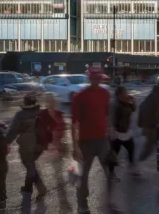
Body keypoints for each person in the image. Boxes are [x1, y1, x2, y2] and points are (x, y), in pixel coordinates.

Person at [71, 67, 111, 214]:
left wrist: (109, 133)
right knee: (82, 176)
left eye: (98, 78)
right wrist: (75, 147)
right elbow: (74, 123)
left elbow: (106, 115)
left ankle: (112, 200)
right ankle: (82, 204)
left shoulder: (105, 93)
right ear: (89, 78)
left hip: (102, 140)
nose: (96, 81)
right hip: (85, 142)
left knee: (110, 171)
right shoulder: (80, 96)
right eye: (94, 78)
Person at [6, 92, 47, 203]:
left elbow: (13, 131)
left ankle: (40, 187)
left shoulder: (21, 115)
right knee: (31, 164)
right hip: (40, 144)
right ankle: (27, 188)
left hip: (27, 144)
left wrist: (6, 142)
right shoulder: (41, 112)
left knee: (29, 166)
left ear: (25, 103)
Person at [38, 93, 70, 208]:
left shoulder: (59, 114)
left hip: (57, 147)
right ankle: (41, 188)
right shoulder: (41, 115)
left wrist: (63, 142)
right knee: (39, 169)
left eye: (52, 101)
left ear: (55, 102)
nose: (51, 103)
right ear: (46, 103)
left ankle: (62, 199)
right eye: (48, 101)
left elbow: (64, 129)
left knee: (58, 171)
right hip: (45, 148)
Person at [109, 85, 139, 180]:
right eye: (125, 92)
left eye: (126, 92)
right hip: (118, 133)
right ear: (119, 95)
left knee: (131, 149)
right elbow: (111, 119)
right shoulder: (116, 105)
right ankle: (110, 172)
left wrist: (132, 100)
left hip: (126, 132)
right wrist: (112, 131)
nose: (127, 93)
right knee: (114, 153)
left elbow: (134, 109)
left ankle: (132, 167)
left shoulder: (126, 102)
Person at [137, 82, 159, 163]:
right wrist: (145, 126)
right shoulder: (153, 96)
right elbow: (145, 110)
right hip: (152, 126)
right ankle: (137, 163)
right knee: (150, 147)